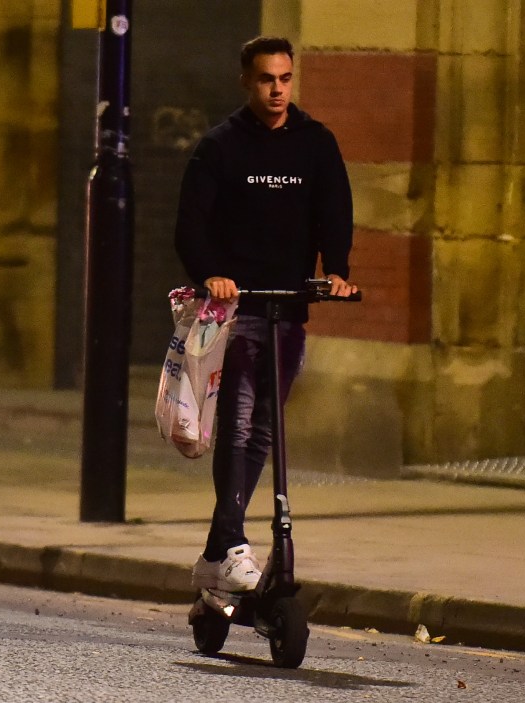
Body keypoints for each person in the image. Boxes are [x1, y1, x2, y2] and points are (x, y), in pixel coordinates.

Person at [174, 36, 357, 593]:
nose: (276, 90)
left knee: (261, 434)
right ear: (246, 81)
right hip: (236, 313)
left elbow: (334, 211)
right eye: (265, 80)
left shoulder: (315, 143)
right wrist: (212, 273)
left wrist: (339, 271)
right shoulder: (221, 147)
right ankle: (230, 546)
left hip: (287, 310)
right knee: (238, 427)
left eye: (284, 79)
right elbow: (190, 227)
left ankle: (216, 553)